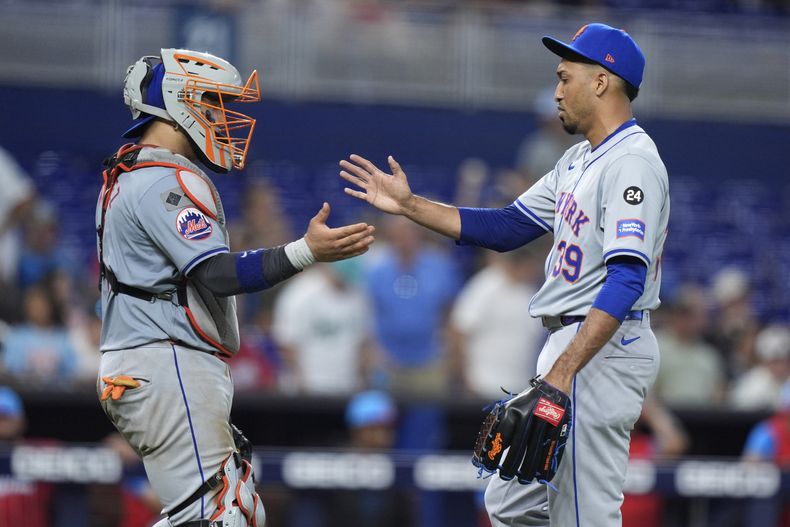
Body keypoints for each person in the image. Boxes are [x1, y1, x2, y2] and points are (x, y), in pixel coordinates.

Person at [340, 22, 668, 526]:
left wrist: (563, 373)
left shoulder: (632, 162)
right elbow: (508, 226)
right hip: (571, 343)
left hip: (602, 345)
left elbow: (625, 278)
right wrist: (409, 206)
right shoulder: (579, 159)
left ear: (601, 82)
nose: (557, 91)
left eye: (565, 78)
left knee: (585, 513)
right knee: (509, 501)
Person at [96, 48, 375, 527]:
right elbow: (217, 274)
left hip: (153, 361)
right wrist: (307, 251)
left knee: (235, 509)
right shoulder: (163, 179)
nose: (223, 117)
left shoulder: (134, 171)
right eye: (212, 103)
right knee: (220, 515)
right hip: (166, 360)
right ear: (179, 101)